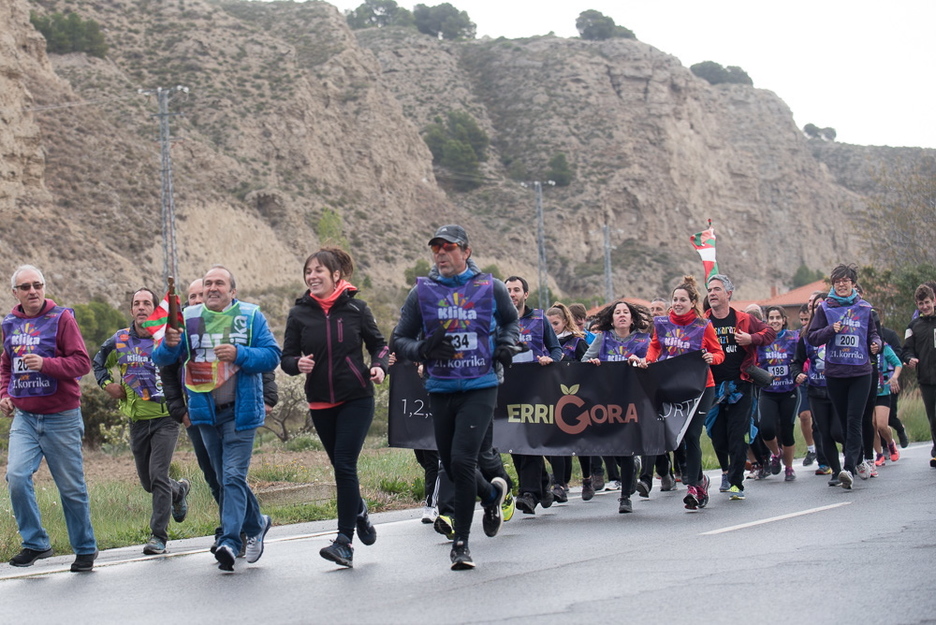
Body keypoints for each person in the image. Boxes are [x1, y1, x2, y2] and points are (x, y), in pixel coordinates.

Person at [393, 225, 517, 570]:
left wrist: (506, 345)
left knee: (462, 460)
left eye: (448, 248)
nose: (441, 254)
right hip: (441, 386)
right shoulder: (422, 293)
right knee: (450, 462)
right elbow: (399, 339)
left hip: (480, 384)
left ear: (466, 251)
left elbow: (510, 322)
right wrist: (423, 349)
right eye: (436, 249)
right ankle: (491, 495)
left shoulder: (489, 288)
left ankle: (461, 544)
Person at [153, 265, 280, 572]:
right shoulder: (191, 318)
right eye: (208, 283)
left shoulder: (250, 316)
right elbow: (163, 360)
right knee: (224, 478)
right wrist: (169, 345)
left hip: (241, 411)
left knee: (233, 476)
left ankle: (231, 541)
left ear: (232, 291)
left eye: (219, 283)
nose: (212, 288)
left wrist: (240, 354)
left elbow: (272, 355)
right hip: (205, 413)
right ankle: (257, 522)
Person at [281, 248, 389, 568]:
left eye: (319, 271)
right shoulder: (299, 314)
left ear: (336, 275)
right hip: (319, 401)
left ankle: (344, 542)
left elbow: (379, 345)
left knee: (344, 465)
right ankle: (358, 511)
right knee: (342, 469)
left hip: (356, 397)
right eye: (308, 272)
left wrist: (380, 366)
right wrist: (295, 363)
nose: (312, 276)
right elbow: (286, 357)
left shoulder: (357, 308)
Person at [1, 265, 98, 572]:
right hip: (26, 418)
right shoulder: (10, 324)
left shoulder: (62, 319)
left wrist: (45, 364)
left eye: (37, 285)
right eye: (26, 287)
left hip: (62, 417)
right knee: (16, 477)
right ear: (15, 292)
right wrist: (4, 393)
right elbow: (6, 365)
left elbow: (82, 363)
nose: (33, 291)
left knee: (70, 488)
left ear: (44, 287)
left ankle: (85, 548)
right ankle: (36, 542)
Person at [92, 288, 190, 555]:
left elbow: (186, 368)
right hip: (137, 421)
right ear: (131, 309)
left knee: (158, 475)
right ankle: (178, 491)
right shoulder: (120, 340)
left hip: (165, 419)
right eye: (137, 303)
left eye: (147, 303)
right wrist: (107, 385)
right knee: (149, 483)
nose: (141, 307)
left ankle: (158, 537)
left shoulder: (164, 339)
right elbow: (98, 363)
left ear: (155, 309)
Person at [633, 276, 724, 511]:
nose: (677, 303)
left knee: (692, 435)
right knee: (677, 437)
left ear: (693, 302)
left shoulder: (703, 325)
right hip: (672, 386)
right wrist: (649, 361)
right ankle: (700, 478)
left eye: (682, 300)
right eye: (674, 299)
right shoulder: (662, 323)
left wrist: (711, 357)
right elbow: (655, 346)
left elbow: (718, 353)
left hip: (702, 387)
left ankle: (694, 487)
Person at [807, 264, 881, 489]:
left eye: (845, 281)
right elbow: (812, 337)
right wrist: (831, 330)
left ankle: (848, 468)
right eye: (837, 281)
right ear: (833, 285)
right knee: (844, 424)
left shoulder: (865, 308)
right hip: (835, 373)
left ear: (853, 284)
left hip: (860, 372)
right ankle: (857, 461)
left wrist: (875, 343)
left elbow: (873, 334)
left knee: (854, 420)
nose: (841, 284)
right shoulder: (825, 309)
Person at [705, 274, 776, 500]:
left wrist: (750, 338)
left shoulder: (744, 319)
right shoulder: (702, 321)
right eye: (710, 290)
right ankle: (727, 470)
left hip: (741, 385)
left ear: (728, 294)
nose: (712, 294)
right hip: (712, 388)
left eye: (717, 289)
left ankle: (736, 483)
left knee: (737, 435)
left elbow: (769, 333)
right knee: (717, 435)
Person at [583, 299, 653, 513]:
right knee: (612, 448)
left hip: (634, 400)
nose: (621, 315)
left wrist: (642, 362)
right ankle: (632, 468)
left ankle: (625, 498)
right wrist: (592, 363)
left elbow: (654, 363)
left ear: (632, 319)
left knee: (626, 445)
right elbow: (585, 360)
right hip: (607, 401)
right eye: (617, 313)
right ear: (611, 320)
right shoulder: (602, 338)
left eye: (625, 312)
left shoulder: (643, 340)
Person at [505, 275, 565, 512]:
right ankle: (542, 484)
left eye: (516, 289)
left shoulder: (540, 319)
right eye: (508, 289)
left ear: (525, 294)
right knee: (514, 443)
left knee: (528, 438)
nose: (512, 294)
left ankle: (528, 493)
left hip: (536, 389)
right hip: (507, 389)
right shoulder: (497, 321)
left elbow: (556, 349)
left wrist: (551, 360)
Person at [756, 306, 803, 482]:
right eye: (771, 318)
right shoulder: (761, 340)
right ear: (766, 321)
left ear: (784, 320)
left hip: (789, 390)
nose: (774, 321)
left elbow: (804, 356)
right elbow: (752, 361)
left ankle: (789, 468)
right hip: (768, 391)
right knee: (766, 428)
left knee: (787, 429)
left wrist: (800, 371)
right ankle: (776, 453)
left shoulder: (794, 337)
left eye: (778, 317)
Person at [903, 284, 936, 467]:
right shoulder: (913, 326)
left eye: (927, 302)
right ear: (917, 305)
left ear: (934, 301)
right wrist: (910, 359)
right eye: (921, 303)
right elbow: (906, 351)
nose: (925, 306)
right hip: (926, 379)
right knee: (933, 416)